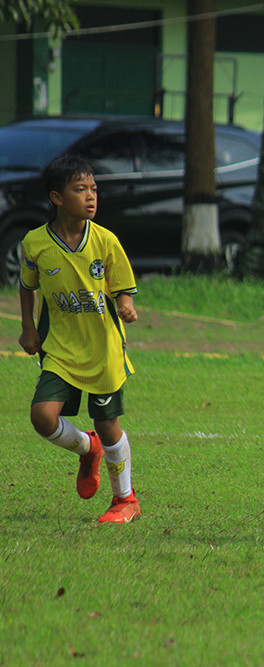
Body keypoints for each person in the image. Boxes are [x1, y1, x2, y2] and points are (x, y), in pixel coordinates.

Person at [18, 154, 141, 523]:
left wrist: (126, 305)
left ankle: (125, 500)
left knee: (108, 424)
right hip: (60, 349)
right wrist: (27, 327)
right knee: (42, 416)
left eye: (94, 189)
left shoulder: (105, 241)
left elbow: (123, 288)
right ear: (57, 197)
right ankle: (88, 449)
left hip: (102, 350)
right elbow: (27, 286)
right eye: (80, 189)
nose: (91, 196)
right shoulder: (35, 243)